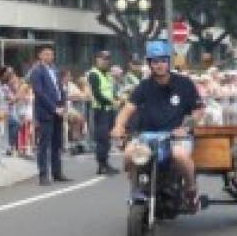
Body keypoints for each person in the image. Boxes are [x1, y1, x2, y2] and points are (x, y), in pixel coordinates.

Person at [110, 40, 204, 202]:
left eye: (162, 61)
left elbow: (198, 111)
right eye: (155, 61)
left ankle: (190, 188)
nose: (159, 65)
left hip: (176, 137)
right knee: (128, 154)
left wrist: (185, 128)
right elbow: (127, 109)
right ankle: (136, 189)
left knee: (180, 155)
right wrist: (118, 126)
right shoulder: (143, 87)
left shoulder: (185, 84)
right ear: (150, 64)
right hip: (147, 136)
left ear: (168, 62)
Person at [28, 45, 69, 185]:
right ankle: (43, 174)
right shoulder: (37, 71)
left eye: (51, 54)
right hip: (46, 111)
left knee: (57, 143)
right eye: (46, 54)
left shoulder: (55, 70)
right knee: (44, 144)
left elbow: (60, 89)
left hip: (58, 108)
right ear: (40, 55)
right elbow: (39, 93)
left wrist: (63, 104)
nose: (49, 57)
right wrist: (53, 108)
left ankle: (57, 172)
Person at [86, 50, 119, 175]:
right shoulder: (94, 74)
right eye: (103, 59)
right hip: (100, 110)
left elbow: (110, 91)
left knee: (107, 138)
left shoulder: (107, 74)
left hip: (109, 110)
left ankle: (105, 162)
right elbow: (97, 94)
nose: (105, 61)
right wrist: (111, 101)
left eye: (107, 59)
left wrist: (116, 99)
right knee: (102, 138)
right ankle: (101, 164)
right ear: (97, 59)